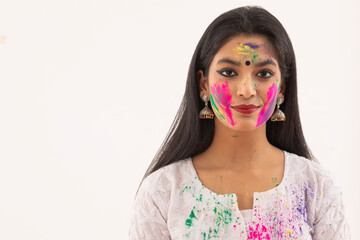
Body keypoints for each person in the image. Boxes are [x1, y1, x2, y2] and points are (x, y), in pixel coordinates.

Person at [128, 5, 351, 239]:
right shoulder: (163, 192)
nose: (246, 90)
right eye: (228, 73)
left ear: (282, 88)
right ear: (203, 84)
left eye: (263, 74)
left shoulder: (316, 188)